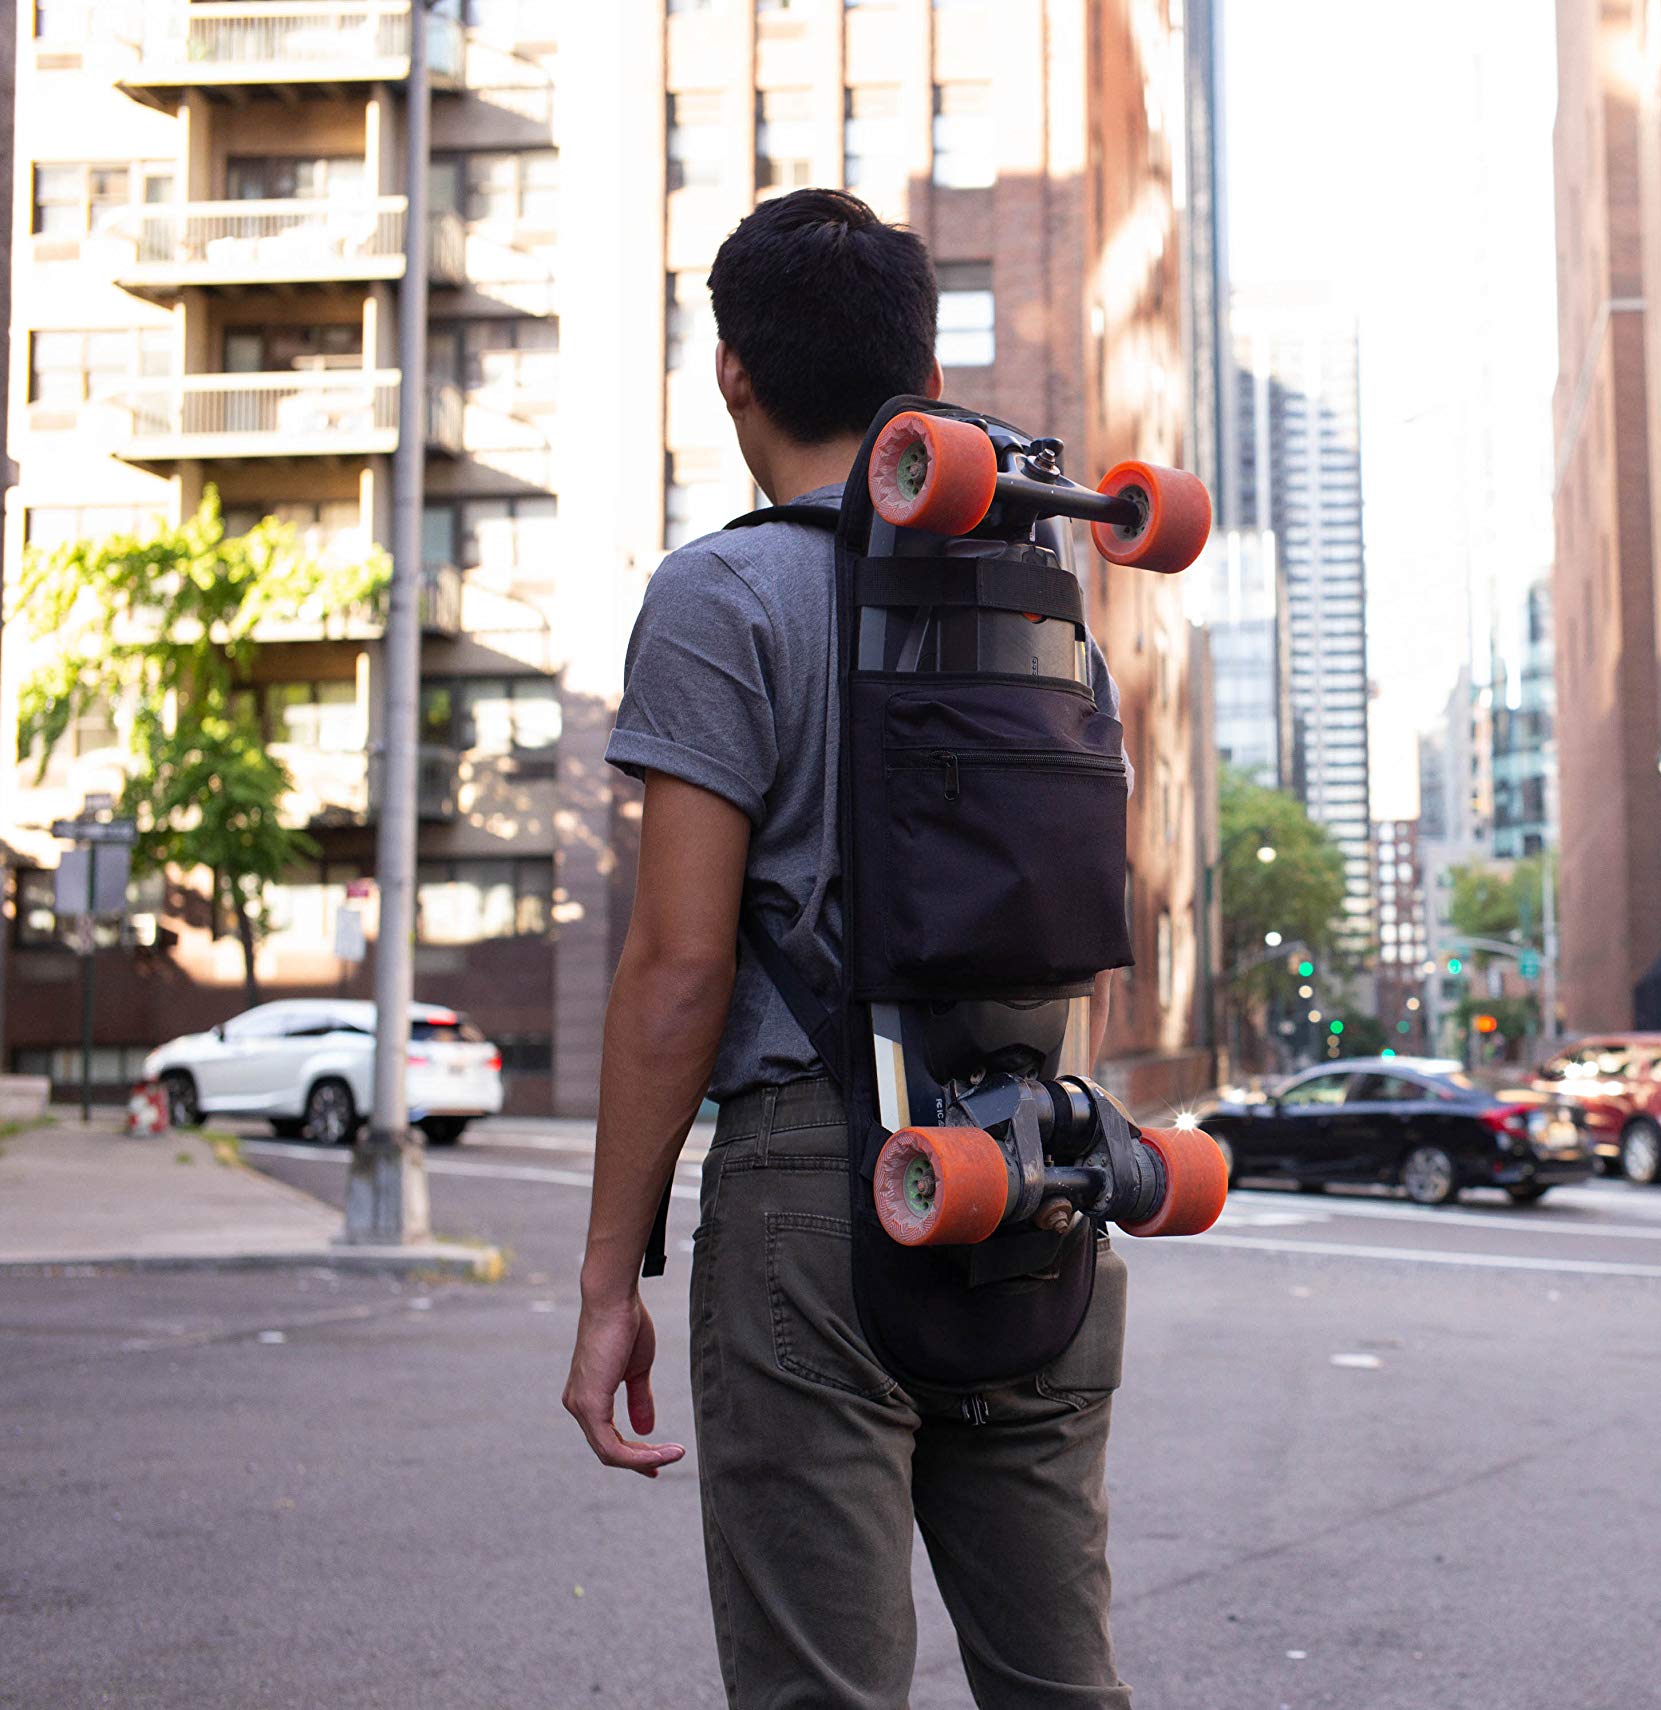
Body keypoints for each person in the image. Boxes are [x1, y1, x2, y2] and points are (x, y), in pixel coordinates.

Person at [562, 188, 1132, 1710]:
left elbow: (678, 971)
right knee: (1061, 1689)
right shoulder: (1048, 609)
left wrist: (610, 1275)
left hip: (819, 1206)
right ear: (925, 383)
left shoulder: (720, 595)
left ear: (733, 371)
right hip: (1037, 1170)